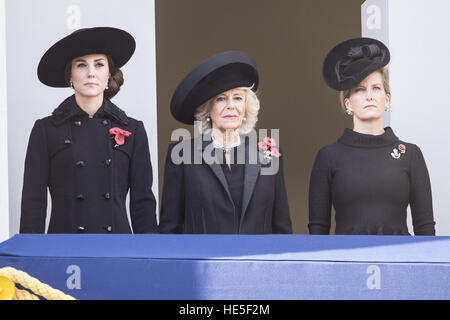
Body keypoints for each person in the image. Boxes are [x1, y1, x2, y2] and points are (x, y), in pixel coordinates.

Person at [20, 27, 158, 233]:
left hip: (118, 248)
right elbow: (33, 203)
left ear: (109, 74)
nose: (91, 73)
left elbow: (143, 203)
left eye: (99, 64)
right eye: (82, 65)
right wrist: (31, 257)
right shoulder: (46, 130)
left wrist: (149, 257)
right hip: (63, 247)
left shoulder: (133, 129)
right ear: (70, 75)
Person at [308, 37, 435, 235]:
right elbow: (317, 231)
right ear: (348, 103)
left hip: (399, 262)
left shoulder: (410, 154)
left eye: (376, 88)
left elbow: (425, 228)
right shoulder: (328, 157)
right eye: (359, 89)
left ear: (387, 99)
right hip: (346, 262)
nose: (369, 96)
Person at [159, 51, 292, 234]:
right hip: (203, 262)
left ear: (246, 107)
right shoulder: (182, 154)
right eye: (221, 99)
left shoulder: (270, 153)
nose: (231, 106)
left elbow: (282, 229)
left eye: (237, 98)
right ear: (207, 109)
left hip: (257, 262)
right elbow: (170, 229)